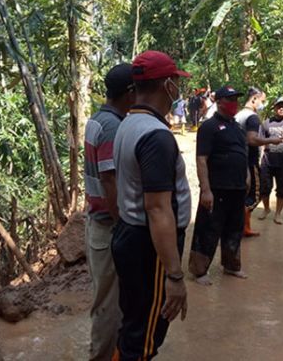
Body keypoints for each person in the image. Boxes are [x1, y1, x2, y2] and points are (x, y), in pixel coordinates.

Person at [111, 50, 191, 360]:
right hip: (150, 248)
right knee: (145, 337)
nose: (177, 89)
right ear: (167, 85)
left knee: (133, 325)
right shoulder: (155, 136)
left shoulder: (128, 124)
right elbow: (158, 209)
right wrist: (174, 276)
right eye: (176, 83)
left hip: (130, 236)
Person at [83, 63, 135, 361]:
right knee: (108, 307)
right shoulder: (114, 127)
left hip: (97, 221)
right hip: (108, 224)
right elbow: (108, 178)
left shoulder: (97, 119)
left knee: (107, 300)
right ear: (130, 93)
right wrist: (122, 224)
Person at [188, 85, 252, 285]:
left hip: (238, 187)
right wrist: (205, 190)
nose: (234, 103)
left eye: (236, 99)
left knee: (234, 228)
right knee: (208, 228)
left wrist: (248, 175)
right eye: (230, 99)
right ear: (219, 102)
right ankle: (199, 270)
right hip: (217, 188)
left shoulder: (237, 127)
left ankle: (231, 266)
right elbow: (201, 159)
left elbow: (243, 154)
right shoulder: (209, 127)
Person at [235, 87, 283, 237]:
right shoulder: (252, 117)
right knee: (254, 196)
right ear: (254, 99)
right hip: (249, 160)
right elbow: (252, 139)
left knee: (242, 193)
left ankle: (244, 227)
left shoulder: (238, 115)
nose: (263, 104)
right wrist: (272, 140)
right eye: (262, 101)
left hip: (237, 159)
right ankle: (239, 226)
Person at [257, 96, 283, 225]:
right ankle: (266, 209)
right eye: (278, 106)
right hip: (267, 162)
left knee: (281, 189)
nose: (281, 109)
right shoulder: (266, 123)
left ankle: (278, 213)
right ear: (274, 107)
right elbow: (259, 140)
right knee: (264, 188)